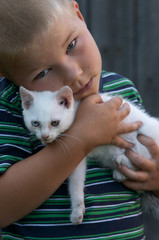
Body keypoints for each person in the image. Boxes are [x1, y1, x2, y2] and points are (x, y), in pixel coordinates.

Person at [0, 0, 159, 239]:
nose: (74, 74)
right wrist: (80, 139)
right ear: (9, 75)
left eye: (71, 44)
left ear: (79, 15)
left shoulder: (121, 91)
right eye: (42, 72)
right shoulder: (11, 106)